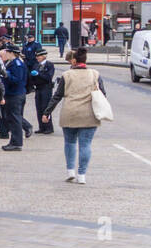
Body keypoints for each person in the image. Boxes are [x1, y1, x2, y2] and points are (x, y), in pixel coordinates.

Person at [42, 46, 106, 185]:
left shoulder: (67, 75)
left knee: (70, 142)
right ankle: (82, 174)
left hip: (70, 113)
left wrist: (47, 112)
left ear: (74, 61)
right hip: (89, 114)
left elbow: (57, 96)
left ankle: (70, 171)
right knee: (86, 145)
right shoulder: (95, 74)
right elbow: (103, 94)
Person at [0, 45, 29, 151]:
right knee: (11, 118)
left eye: (7, 52)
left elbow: (17, 80)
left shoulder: (17, 64)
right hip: (11, 94)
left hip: (15, 94)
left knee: (15, 119)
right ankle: (13, 141)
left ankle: (16, 142)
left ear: (11, 53)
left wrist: (7, 75)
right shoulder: (11, 63)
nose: (5, 54)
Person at [30, 46, 56, 134]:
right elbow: (32, 76)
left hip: (46, 88)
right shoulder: (36, 65)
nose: (37, 58)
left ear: (44, 56)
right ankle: (41, 127)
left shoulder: (49, 65)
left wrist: (38, 74)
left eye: (39, 56)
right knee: (39, 108)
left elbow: (48, 77)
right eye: (37, 56)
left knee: (45, 107)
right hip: (38, 88)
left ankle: (48, 127)